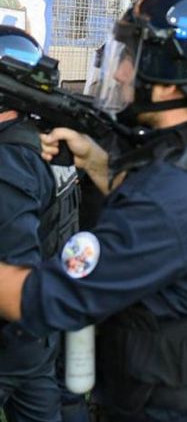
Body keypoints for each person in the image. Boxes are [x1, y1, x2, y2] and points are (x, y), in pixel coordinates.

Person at [0, 0, 187, 421]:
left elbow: (45, 298)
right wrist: (97, 163)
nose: (122, 71)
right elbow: (180, 239)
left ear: (168, 78)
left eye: (131, 54)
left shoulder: (175, 195)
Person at [0, 26, 81, 422]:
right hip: (46, 326)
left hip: (13, 334)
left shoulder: (9, 157)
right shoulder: (49, 140)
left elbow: (14, 265)